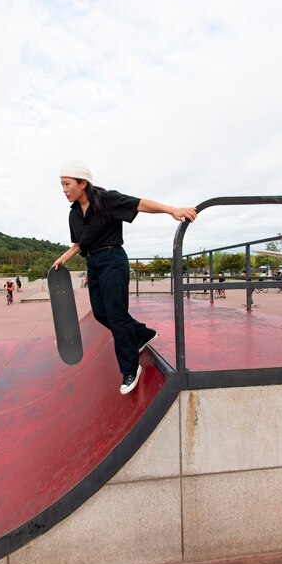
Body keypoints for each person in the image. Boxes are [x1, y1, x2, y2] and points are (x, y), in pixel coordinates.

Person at [53, 160, 197, 395]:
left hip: (113, 260)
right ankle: (142, 333)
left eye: (67, 184)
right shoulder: (74, 214)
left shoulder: (106, 199)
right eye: (62, 185)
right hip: (94, 264)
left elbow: (140, 204)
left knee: (117, 315)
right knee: (101, 313)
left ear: (82, 183)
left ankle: (130, 368)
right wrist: (64, 257)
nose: (64, 189)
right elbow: (79, 243)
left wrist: (172, 210)